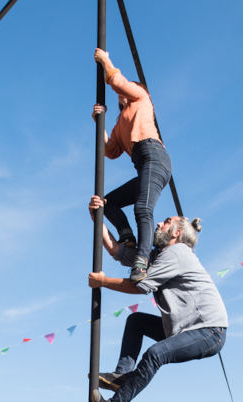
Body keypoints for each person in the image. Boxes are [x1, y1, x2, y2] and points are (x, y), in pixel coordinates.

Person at [88, 196, 229, 402]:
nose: (158, 224)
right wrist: (97, 218)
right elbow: (118, 252)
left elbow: (140, 286)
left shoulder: (178, 252)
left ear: (176, 233)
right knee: (136, 321)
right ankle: (123, 374)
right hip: (183, 328)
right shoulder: (158, 256)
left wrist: (103, 282)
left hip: (208, 330)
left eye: (165, 222)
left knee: (155, 354)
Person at [92, 48, 172, 282]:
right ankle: (127, 236)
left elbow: (117, 81)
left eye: (123, 92)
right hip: (143, 163)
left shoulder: (141, 98)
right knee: (109, 203)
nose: (120, 95)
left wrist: (106, 60)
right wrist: (100, 123)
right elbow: (110, 151)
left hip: (155, 157)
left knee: (142, 209)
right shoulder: (120, 123)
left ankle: (141, 262)